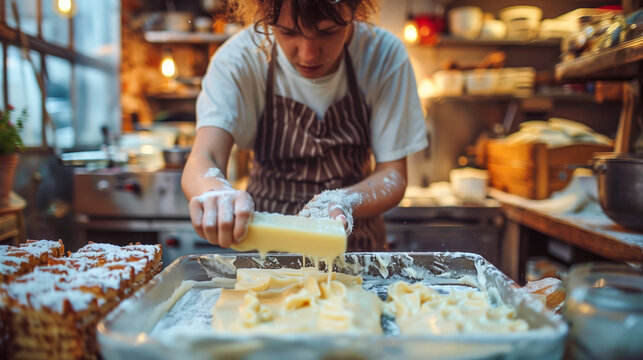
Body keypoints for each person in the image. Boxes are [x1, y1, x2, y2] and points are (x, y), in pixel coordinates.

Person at [182, 0, 428, 251]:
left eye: (328, 30)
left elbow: (393, 174)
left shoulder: (382, 55)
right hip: (268, 257)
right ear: (267, 18)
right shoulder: (239, 59)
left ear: (354, 12)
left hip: (357, 253)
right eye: (288, 31)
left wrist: (344, 201)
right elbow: (205, 156)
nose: (308, 54)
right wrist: (215, 193)